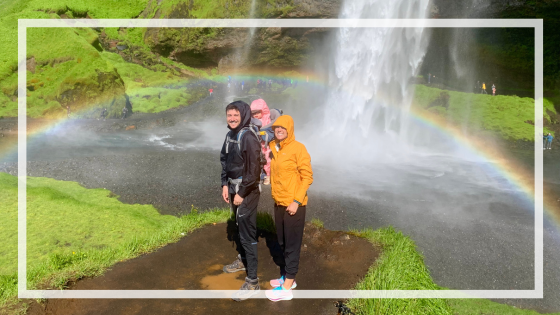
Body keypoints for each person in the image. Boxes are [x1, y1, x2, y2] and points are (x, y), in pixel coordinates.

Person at [265, 115, 313, 302]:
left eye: (283, 128)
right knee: (282, 242)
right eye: (276, 127)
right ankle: (287, 278)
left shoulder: (298, 148)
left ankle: (287, 288)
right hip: (279, 202)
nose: (279, 130)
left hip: (294, 205)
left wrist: (296, 201)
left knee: (292, 245)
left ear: (290, 129)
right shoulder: (276, 147)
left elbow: (307, 176)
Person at [220, 101, 262, 301]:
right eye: (229, 115)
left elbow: (254, 171)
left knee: (247, 232)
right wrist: (225, 185)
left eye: (236, 115)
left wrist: (242, 192)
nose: (232, 118)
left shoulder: (248, 137)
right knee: (238, 226)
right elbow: (224, 160)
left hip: (248, 191)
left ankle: (253, 282)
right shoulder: (230, 135)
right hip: (234, 187)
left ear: (244, 115)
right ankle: (243, 259)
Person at [250, 99, 273, 185]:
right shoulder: (252, 120)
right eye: (253, 113)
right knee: (257, 158)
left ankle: (268, 175)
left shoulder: (267, 119)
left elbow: (270, 129)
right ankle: (259, 173)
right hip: (257, 143)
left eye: (258, 112)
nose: (255, 115)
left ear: (263, 111)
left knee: (267, 159)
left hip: (266, 144)